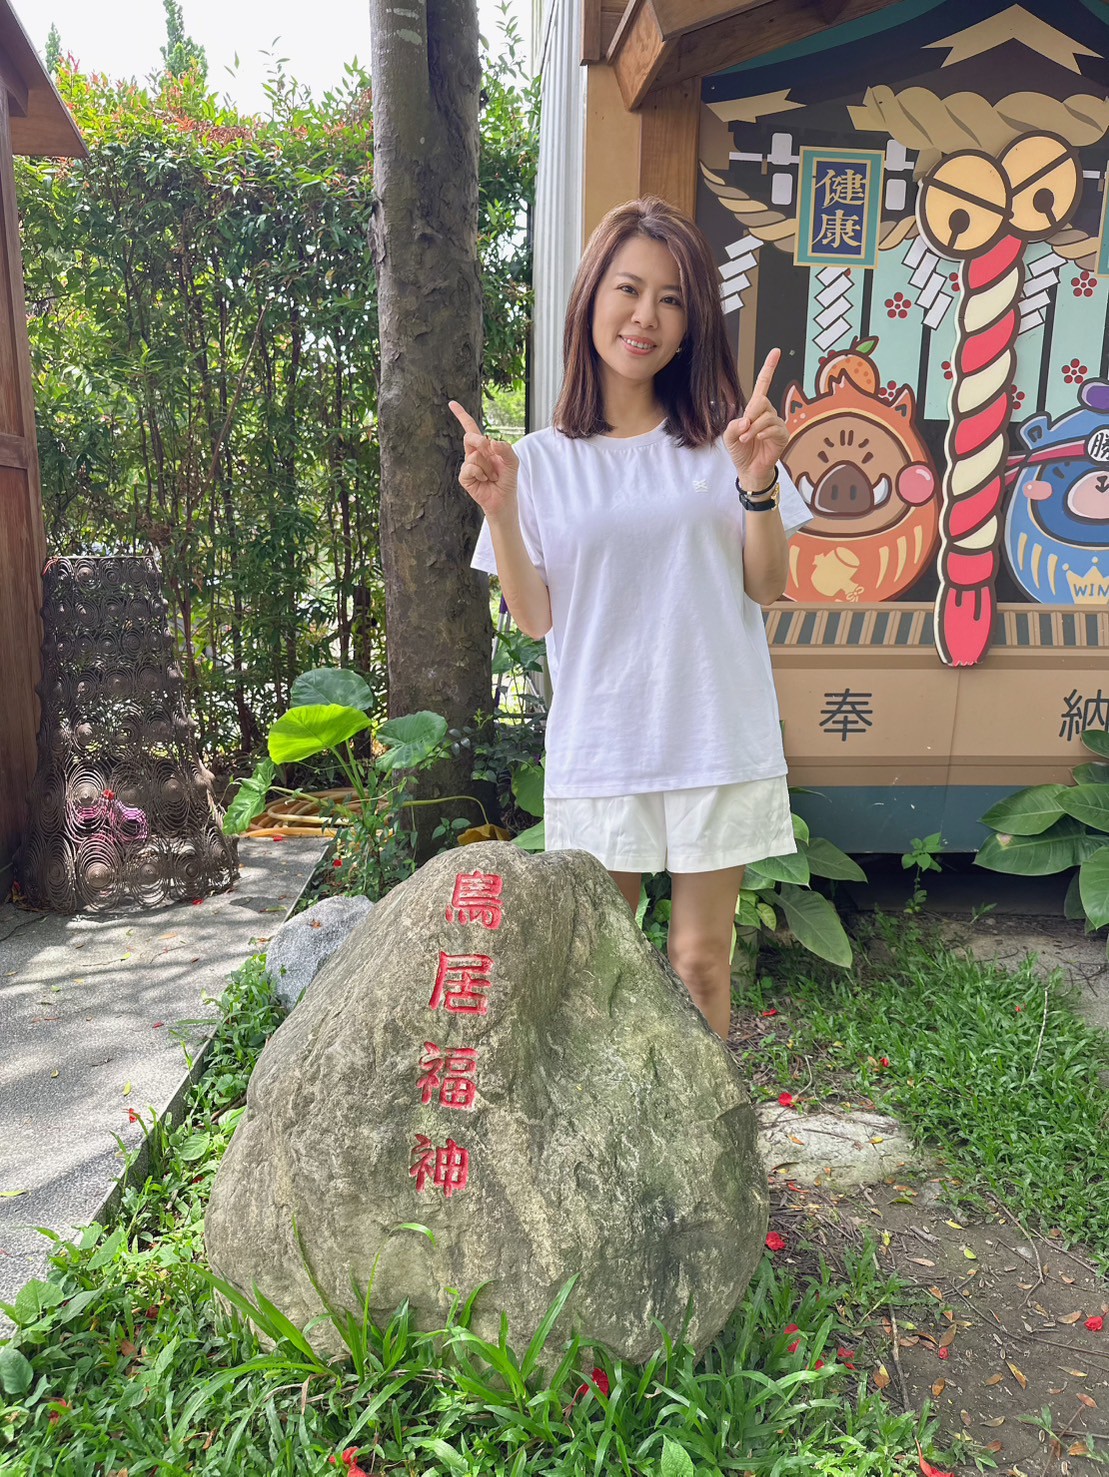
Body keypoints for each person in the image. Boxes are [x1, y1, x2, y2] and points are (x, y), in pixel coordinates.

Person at [450, 196, 810, 1040]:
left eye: (671, 298)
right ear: (590, 300)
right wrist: (500, 511)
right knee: (600, 969)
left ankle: (704, 1127)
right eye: (628, 289)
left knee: (700, 959)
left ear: (690, 326)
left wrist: (757, 483)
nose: (646, 315)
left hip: (714, 735)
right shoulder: (537, 463)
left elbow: (766, 586)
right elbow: (534, 617)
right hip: (602, 743)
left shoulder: (725, 448)